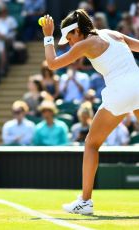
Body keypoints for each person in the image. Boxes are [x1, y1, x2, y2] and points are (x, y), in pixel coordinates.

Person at [40, 9, 139, 215]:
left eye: (69, 38)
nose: (71, 43)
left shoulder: (86, 43)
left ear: (77, 31)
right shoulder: (112, 33)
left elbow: (52, 63)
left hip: (120, 92)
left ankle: (85, 201)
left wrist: (48, 36)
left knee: (91, 144)